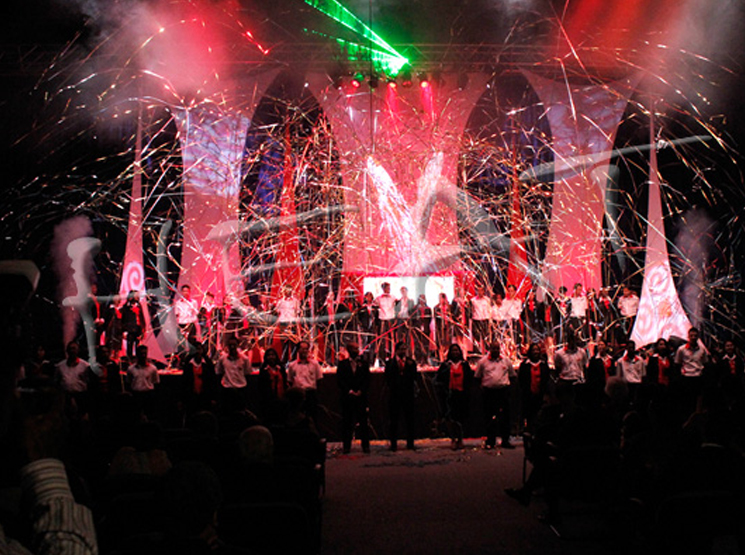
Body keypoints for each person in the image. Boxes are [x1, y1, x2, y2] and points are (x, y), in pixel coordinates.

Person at [475, 342, 516, 449]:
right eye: (493, 348)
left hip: (503, 392)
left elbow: (512, 376)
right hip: (489, 393)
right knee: (489, 417)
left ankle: (505, 440)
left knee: (505, 417)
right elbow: (477, 377)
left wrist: (509, 390)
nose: (495, 350)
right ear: (489, 349)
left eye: (497, 348)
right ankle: (490, 441)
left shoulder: (506, 361)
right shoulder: (483, 362)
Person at [436, 344, 473, 450]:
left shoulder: (464, 365)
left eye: (457, 350)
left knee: (461, 418)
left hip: (462, 394)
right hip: (449, 395)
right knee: (450, 418)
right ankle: (453, 438)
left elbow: (469, 378)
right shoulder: (445, 365)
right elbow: (439, 378)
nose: (455, 353)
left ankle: (460, 439)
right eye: (453, 351)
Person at [336, 341, 371, 454]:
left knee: (363, 423)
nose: (357, 351)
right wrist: (349, 391)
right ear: (349, 350)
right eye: (354, 349)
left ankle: (365, 446)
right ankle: (346, 446)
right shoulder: (343, 364)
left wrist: (361, 390)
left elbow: (367, 379)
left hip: (361, 398)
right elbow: (340, 380)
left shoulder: (364, 364)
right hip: (347, 398)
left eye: (357, 348)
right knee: (347, 423)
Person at [384, 341, 419, 451]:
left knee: (410, 420)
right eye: (401, 349)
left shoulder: (411, 362)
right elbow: (387, 378)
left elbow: (414, 377)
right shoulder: (390, 363)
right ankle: (393, 444)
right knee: (393, 420)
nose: (403, 351)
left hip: (408, 395)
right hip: (394, 395)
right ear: (396, 350)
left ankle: (410, 443)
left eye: (405, 349)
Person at [287, 340, 324, 424]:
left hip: (311, 394)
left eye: (306, 349)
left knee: (313, 417)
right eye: (302, 349)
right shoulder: (292, 365)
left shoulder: (315, 364)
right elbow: (290, 381)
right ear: (298, 350)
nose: (304, 351)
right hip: (298, 395)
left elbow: (319, 380)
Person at [518, 342, 550, 432]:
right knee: (529, 416)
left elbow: (547, 379)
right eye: (533, 350)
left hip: (540, 395)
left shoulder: (543, 365)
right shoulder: (525, 365)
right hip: (528, 395)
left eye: (537, 350)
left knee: (540, 416)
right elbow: (521, 380)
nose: (535, 352)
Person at [215, 337, 251, 409]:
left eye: (234, 345)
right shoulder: (222, 359)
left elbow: (247, 374)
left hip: (241, 389)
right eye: (230, 345)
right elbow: (219, 373)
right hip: (227, 390)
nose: (232, 347)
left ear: (237, 345)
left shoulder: (244, 359)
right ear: (227, 346)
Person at [257, 347, 287, 424]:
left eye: (273, 355)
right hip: (268, 399)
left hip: (281, 397)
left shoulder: (281, 369)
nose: (271, 357)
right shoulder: (263, 370)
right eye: (269, 355)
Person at [274, 287, 301, 363]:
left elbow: (298, 311)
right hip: (284, 322)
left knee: (293, 343)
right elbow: (277, 311)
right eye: (286, 290)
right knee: (284, 342)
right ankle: (284, 361)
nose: (288, 292)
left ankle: (294, 361)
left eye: (289, 290)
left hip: (292, 322)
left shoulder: (295, 301)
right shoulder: (280, 301)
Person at [374, 282, 396, 365]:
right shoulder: (378, 298)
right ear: (383, 288)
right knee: (381, 340)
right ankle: (381, 359)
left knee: (391, 339)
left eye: (389, 288)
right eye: (387, 288)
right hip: (382, 319)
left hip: (390, 319)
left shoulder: (393, 297)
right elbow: (375, 307)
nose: (389, 289)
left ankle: (392, 357)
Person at [121, 290, 146, 361]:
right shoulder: (126, 307)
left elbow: (142, 318)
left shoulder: (139, 306)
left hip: (138, 329)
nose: (137, 296)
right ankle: (129, 361)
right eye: (136, 295)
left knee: (138, 347)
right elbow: (124, 319)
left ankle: (138, 361)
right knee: (129, 347)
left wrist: (143, 329)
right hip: (130, 329)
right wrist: (124, 330)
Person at [174, 284, 199, 352]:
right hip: (181, 324)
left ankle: (192, 356)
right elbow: (176, 314)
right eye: (184, 291)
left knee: (192, 342)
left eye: (187, 291)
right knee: (180, 343)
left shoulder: (193, 302)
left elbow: (196, 314)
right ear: (181, 292)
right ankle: (181, 356)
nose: (186, 293)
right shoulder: (178, 303)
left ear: (189, 292)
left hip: (190, 324)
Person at [470, 284, 492, 355]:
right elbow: (471, 310)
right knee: (476, 338)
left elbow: (489, 310)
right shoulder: (473, 300)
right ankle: (477, 353)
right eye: (478, 290)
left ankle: (487, 353)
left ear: (483, 291)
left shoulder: (487, 300)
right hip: (476, 320)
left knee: (485, 338)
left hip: (485, 320)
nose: (480, 292)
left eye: (481, 290)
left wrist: (490, 320)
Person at [357, 291, 378, 365]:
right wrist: (361, 326)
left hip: (372, 328)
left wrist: (376, 327)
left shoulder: (375, 308)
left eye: (370, 297)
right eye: (367, 297)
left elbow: (377, 319)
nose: (369, 298)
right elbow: (358, 318)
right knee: (365, 344)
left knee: (372, 344)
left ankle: (371, 361)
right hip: (364, 328)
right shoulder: (362, 308)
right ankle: (365, 361)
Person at [411, 294, 433, 365]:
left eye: (423, 298)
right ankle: (418, 360)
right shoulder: (415, 308)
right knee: (418, 344)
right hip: (417, 329)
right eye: (421, 298)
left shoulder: (428, 308)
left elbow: (429, 319)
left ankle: (425, 359)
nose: (422, 300)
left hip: (426, 329)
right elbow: (412, 319)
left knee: (425, 344)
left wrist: (425, 325)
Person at [433, 293, 453, 361]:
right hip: (439, 328)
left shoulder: (449, 307)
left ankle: (447, 357)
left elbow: (452, 316)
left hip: (448, 327)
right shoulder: (436, 308)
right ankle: (441, 358)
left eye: (442, 298)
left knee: (447, 342)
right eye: (440, 298)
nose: (441, 300)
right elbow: (435, 318)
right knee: (440, 343)